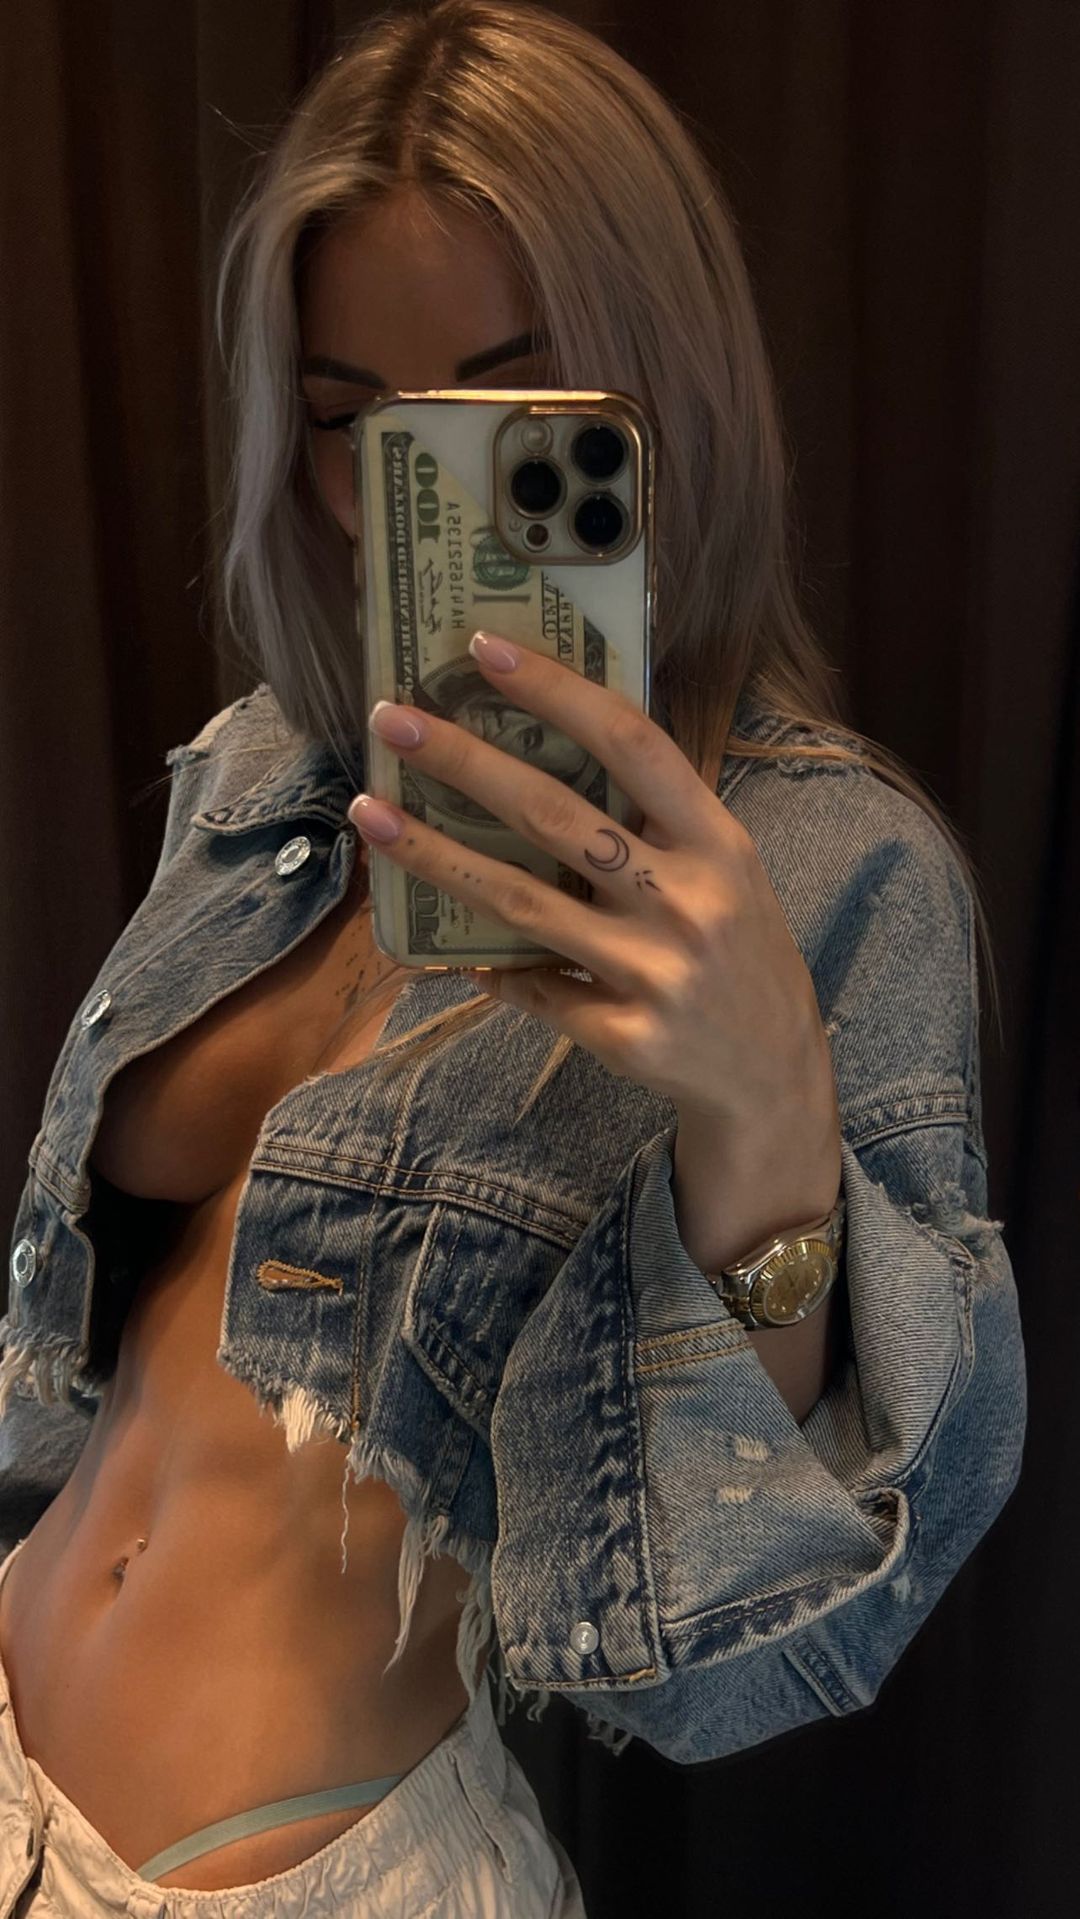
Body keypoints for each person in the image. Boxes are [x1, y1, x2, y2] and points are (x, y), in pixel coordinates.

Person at [0, 2, 1027, 1914]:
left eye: (503, 409)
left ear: (659, 386)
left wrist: (767, 1127)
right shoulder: (256, 773)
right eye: (349, 419)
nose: (418, 488)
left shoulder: (827, 870)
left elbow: (752, 1659)